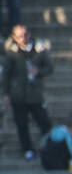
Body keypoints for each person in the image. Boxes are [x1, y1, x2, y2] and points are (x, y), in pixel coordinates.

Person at [3, 24, 53, 160]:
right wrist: (6, 93)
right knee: (21, 123)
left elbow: (49, 67)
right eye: (19, 36)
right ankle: (27, 148)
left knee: (44, 122)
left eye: (24, 35)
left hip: (35, 94)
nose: (23, 39)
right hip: (18, 95)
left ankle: (48, 147)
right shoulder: (12, 53)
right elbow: (6, 74)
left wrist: (39, 72)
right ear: (14, 37)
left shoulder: (39, 49)